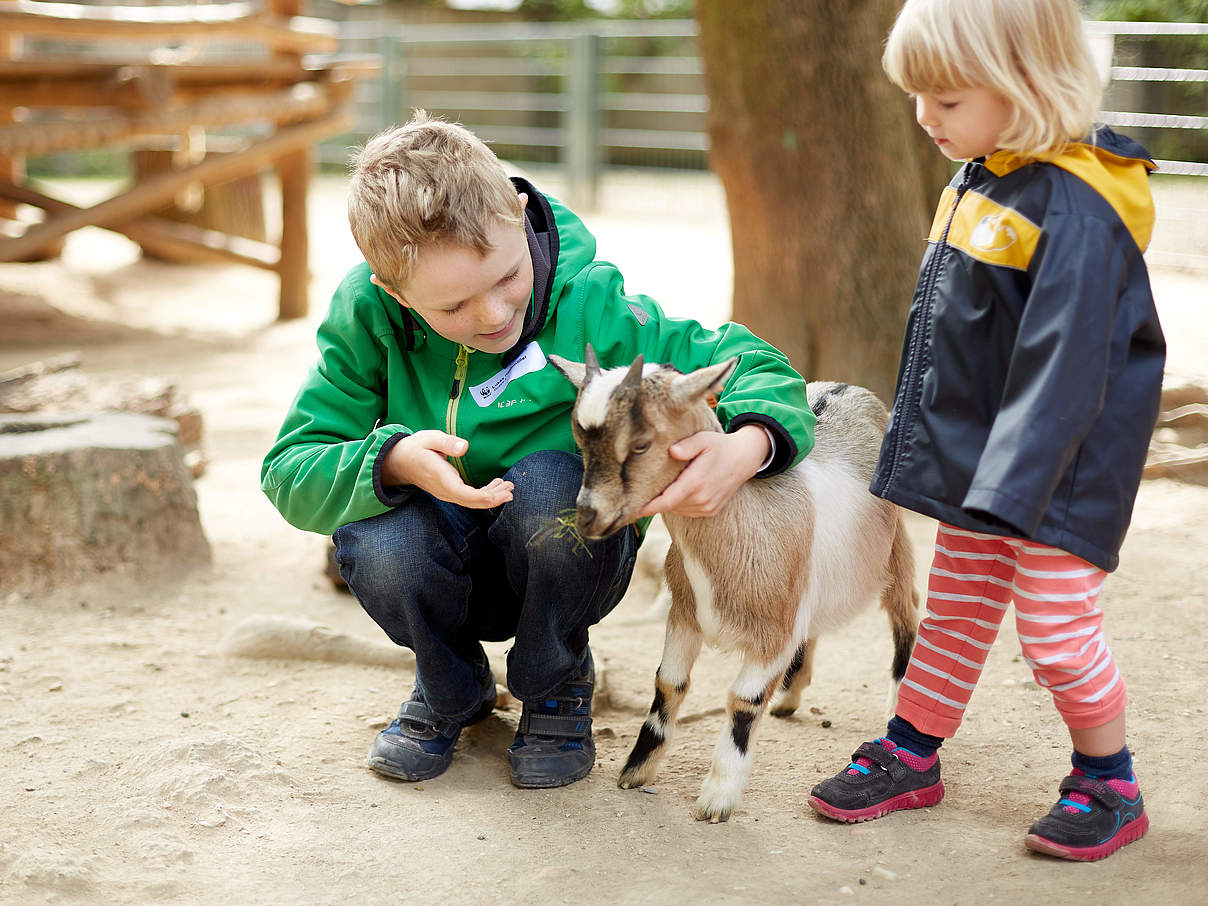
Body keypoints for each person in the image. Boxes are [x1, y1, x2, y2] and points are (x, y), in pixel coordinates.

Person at [260, 110, 815, 790]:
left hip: (565, 554)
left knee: (554, 487)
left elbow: (756, 363)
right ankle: (448, 685)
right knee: (379, 539)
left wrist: (751, 443)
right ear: (394, 291)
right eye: (454, 306)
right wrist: (393, 459)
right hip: (441, 555)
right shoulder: (366, 318)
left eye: (506, 277)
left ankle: (553, 683)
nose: (493, 315)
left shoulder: (593, 307)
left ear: (519, 215)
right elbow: (289, 467)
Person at [806, 0, 1163, 862]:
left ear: (1026, 85)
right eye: (916, 96)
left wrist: (1006, 488)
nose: (926, 116)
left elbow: (1063, 370)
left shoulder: (1078, 207)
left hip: (1060, 466)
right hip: (990, 456)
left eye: (947, 98)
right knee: (959, 606)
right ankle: (913, 749)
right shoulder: (986, 168)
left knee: (1053, 625)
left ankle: (1108, 781)